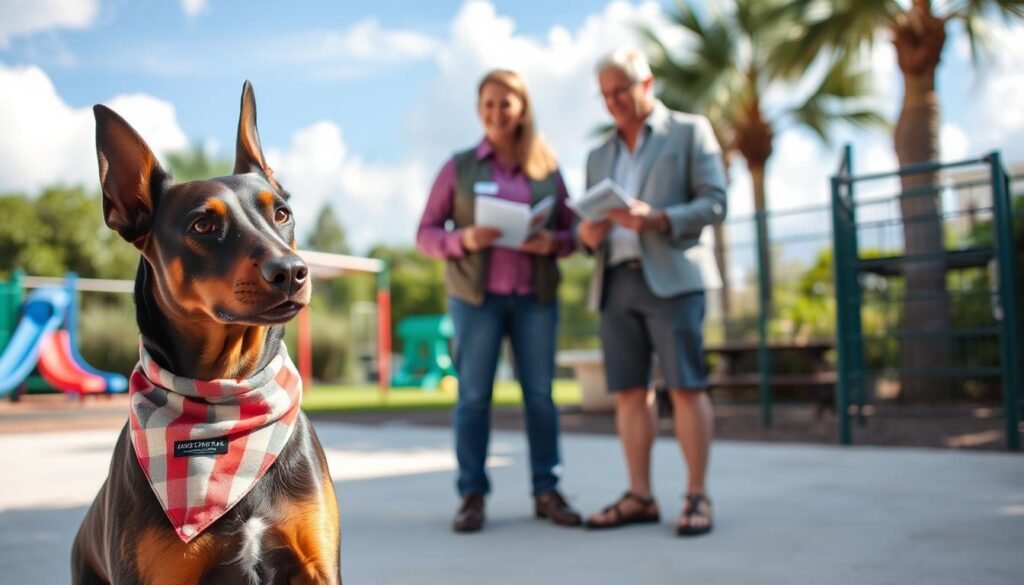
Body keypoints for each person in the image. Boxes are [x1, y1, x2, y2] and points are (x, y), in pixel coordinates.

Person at [416, 69, 581, 533]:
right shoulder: (459, 167)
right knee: (472, 398)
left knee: (541, 399)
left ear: (522, 108)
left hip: (535, 300)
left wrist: (553, 243)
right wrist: (464, 238)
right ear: (478, 109)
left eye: (505, 104)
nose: (496, 112)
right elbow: (425, 234)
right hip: (476, 301)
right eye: (488, 104)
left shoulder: (547, 168)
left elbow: (572, 233)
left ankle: (547, 490)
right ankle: (472, 495)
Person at [578, 48, 727, 536]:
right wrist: (588, 235)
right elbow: (586, 224)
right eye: (605, 95)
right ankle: (639, 495)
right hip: (615, 279)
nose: (613, 102)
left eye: (621, 90)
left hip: (673, 280)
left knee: (685, 386)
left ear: (647, 83)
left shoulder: (689, 131)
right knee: (628, 392)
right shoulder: (598, 154)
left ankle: (696, 494)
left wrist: (657, 218)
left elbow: (715, 203)